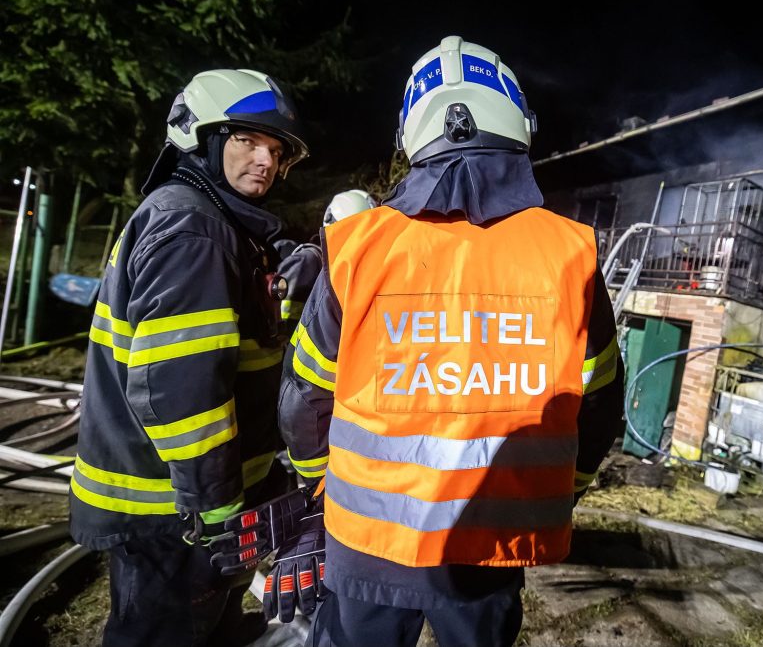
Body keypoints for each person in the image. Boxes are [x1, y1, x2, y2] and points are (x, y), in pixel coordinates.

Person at [276, 36, 625, 647]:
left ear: (411, 132)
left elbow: (304, 397)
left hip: (366, 544)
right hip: (491, 548)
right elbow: (598, 404)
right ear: (517, 122)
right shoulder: (570, 255)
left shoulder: (357, 248)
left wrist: (321, 488)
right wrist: (555, 493)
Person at [69, 68, 311, 647]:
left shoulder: (204, 217)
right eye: (247, 140)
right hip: (178, 512)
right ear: (200, 138)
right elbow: (183, 391)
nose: (265, 161)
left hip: (183, 501)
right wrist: (219, 513)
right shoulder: (193, 230)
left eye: (276, 150)